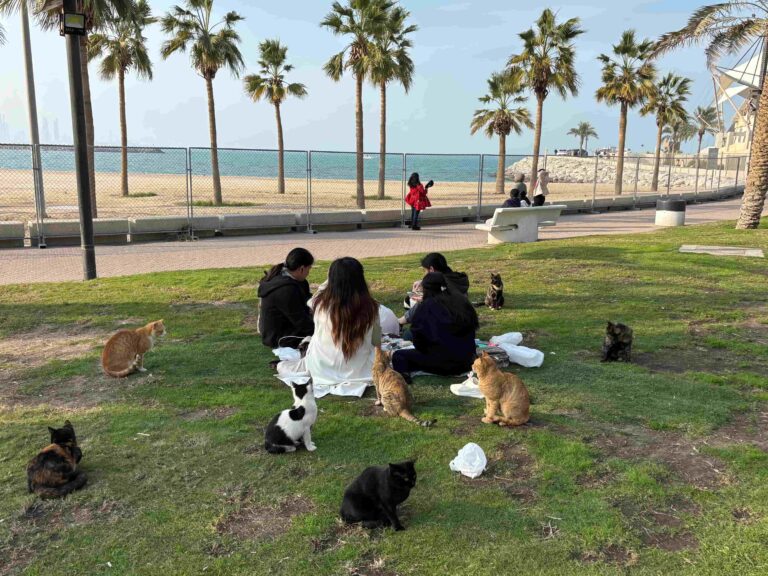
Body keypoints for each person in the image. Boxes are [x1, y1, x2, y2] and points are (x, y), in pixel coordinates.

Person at [305, 257, 380, 385]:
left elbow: (317, 294)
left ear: (331, 279)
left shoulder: (319, 304)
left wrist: (331, 277)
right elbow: (376, 340)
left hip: (320, 368)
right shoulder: (371, 307)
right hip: (358, 370)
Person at [392, 272, 478, 379]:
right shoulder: (461, 301)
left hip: (444, 363)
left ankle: (404, 377)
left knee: (398, 356)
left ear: (425, 289)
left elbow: (419, 340)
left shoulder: (426, 307)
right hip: (468, 360)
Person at [257, 247, 315, 348]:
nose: (308, 273)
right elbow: (301, 321)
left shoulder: (292, 280)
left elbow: (308, 299)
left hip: (283, 328)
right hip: (278, 336)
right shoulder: (286, 289)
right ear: (301, 269)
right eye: (308, 269)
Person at [400, 253, 470, 327]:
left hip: (449, 325)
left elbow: (442, 304)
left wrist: (425, 299)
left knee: (410, 334)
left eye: (425, 270)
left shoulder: (443, 285)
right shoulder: (455, 279)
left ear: (431, 269)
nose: (424, 274)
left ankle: (400, 322)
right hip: (464, 322)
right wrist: (424, 282)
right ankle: (401, 321)